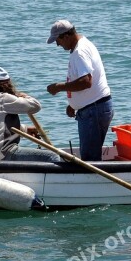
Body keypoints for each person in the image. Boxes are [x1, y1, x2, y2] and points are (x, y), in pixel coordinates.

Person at [46, 20, 113, 162]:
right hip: (94, 107)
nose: (58, 45)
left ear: (66, 36)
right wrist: (74, 104)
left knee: (90, 160)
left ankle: (92, 183)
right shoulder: (83, 45)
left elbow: (86, 81)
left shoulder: (79, 52)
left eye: (58, 40)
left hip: (93, 111)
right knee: (91, 156)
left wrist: (59, 87)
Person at [0, 66, 60, 162]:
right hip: (4, 154)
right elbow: (36, 106)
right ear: (7, 85)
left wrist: (25, 129)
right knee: (53, 156)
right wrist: (22, 95)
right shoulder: (3, 98)